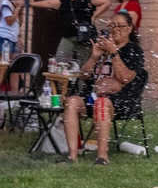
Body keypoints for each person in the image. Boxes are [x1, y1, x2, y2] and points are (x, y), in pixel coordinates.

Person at [61, 10, 144, 165]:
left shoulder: (133, 51)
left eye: (121, 26)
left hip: (122, 101)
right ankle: (72, 155)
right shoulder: (101, 47)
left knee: (102, 103)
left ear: (130, 28)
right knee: (72, 102)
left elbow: (125, 78)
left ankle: (102, 157)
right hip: (93, 96)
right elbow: (84, 75)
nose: (116, 29)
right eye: (113, 25)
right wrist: (94, 56)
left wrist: (114, 53)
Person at [29, 0, 110, 65]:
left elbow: (106, 3)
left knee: (83, 66)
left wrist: (94, 15)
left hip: (85, 37)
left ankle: (80, 80)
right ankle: (61, 79)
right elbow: (49, 3)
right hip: (68, 36)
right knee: (60, 62)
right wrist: (32, 4)